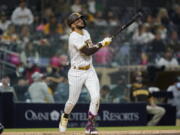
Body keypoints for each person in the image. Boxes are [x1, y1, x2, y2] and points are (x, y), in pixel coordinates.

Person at [59, 12, 112, 134]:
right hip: (76, 72)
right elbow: (87, 51)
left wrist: (101, 43)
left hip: (89, 70)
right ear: (72, 25)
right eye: (78, 20)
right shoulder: (73, 36)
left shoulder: (86, 33)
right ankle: (65, 116)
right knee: (72, 102)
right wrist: (102, 44)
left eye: (81, 19)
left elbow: (91, 47)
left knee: (96, 97)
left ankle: (90, 125)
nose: (81, 21)